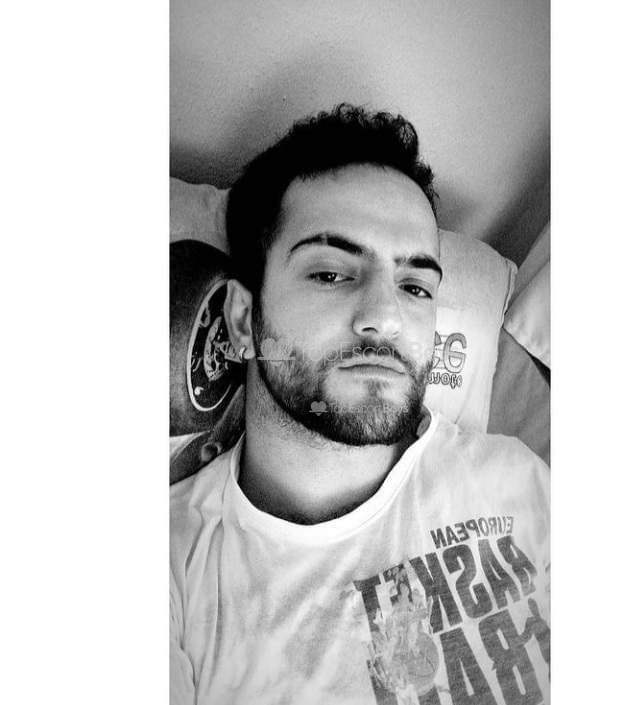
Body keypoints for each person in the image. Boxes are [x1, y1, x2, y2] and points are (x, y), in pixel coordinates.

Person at [170, 104, 550, 705]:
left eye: (415, 286)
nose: (386, 317)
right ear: (243, 321)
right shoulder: (174, 565)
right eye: (330, 274)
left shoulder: (520, 484)